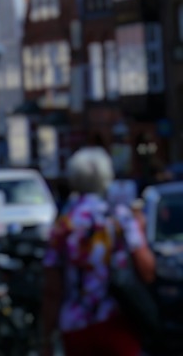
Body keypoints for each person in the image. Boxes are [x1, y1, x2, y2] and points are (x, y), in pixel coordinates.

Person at [40, 146, 156, 356]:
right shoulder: (121, 218)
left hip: (75, 326)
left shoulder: (62, 226)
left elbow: (52, 290)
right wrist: (140, 231)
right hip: (118, 320)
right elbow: (147, 271)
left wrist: (47, 337)